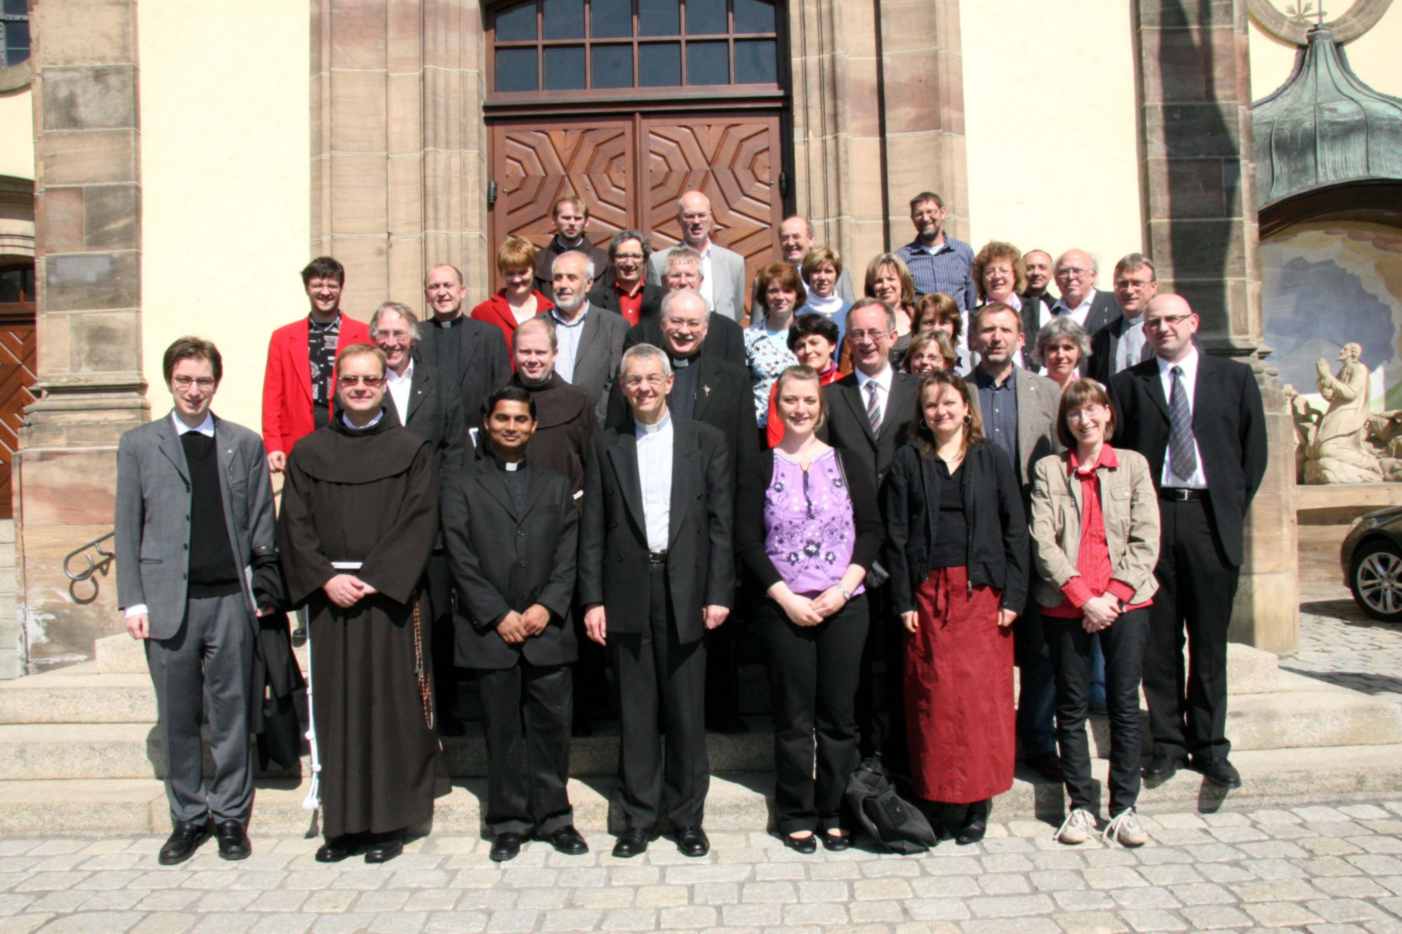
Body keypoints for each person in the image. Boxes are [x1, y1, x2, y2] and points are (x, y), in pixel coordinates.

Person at [116, 337, 281, 865]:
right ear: (171, 381)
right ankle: (188, 817)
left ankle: (230, 815)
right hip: (169, 605)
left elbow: (261, 521)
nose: (193, 390)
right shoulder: (140, 445)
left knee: (233, 714)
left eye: (203, 380)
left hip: (230, 600)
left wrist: (263, 588)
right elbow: (127, 526)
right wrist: (133, 601)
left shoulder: (243, 444)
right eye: (184, 380)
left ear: (216, 383)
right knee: (179, 717)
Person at [278, 344, 439, 865]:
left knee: (388, 710)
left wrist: (375, 578)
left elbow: (420, 517)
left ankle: (389, 823)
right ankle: (343, 825)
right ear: (337, 385)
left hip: (390, 600)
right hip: (332, 602)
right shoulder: (309, 453)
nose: (361, 388)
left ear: (383, 385)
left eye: (370, 380)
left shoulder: (411, 449)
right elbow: (294, 525)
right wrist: (325, 578)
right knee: (339, 709)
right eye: (351, 380)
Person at [580, 344, 734, 859]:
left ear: (670, 383)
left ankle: (687, 818)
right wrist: (592, 599)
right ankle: (638, 818)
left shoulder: (706, 441)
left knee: (686, 711)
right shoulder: (607, 444)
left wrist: (718, 591)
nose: (643, 387)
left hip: (686, 586)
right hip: (627, 588)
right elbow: (593, 527)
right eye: (633, 380)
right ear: (623, 388)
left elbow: (721, 524)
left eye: (652, 378)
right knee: (636, 711)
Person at [1109, 294, 1267, 789]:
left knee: (1209, 641)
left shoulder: (1234, 379)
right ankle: (1168, 744)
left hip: (1208, 519)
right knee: (1159, 643)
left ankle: (1211, 745)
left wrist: (1227, 508)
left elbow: (1253, 455)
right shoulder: (1128, 385)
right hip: (1153, 520)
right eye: (1154, 322)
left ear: (1193, 322)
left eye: (1173, 319)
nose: (1163, 328)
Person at [737, 366, 880, 853]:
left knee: (839, 717)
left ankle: (834, 810)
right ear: (777, 406)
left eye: (809, 401)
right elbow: (747, 540)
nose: (800, 409)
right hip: (785, 607)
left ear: (821, 408)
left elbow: (872, 530)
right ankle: (796, 811)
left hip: (845, 604)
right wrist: (785, 598)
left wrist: (844, 587)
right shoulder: (760, 466)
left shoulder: (847, 462)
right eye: (791, 400)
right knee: (794, 718)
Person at [441, 385, 586, 863]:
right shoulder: (461, 484)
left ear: (534, 426)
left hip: (548, 629)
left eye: (520, 419)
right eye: (502, 418)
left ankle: (555, 818)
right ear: (487, 423)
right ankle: (508, 822)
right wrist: (497, 613)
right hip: (491, 632)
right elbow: (460, 557)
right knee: (502, 731)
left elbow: (568, 554)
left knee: (552, 728)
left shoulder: (556, 485)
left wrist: (548, 605)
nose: (511, 427)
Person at [883, 370, 1028, 844]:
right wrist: (903, 598)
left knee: (980, 704)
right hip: (928, 594)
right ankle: (939, 799)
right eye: (931, 405)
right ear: (922, 414)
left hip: (981, 595)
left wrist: (1015, 595)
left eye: (949, 403)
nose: (940, 412)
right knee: (935, 702)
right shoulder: (909, 460)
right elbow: (896, 536)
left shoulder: (992, 458)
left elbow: (1014, 529)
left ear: (966, 408)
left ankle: (976, 802)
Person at [606, 290, 759, 735]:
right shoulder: (640, 377)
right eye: (676, 322)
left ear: (707, 329)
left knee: (714, 628)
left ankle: (721, 714)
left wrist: (740, 529)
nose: (685, 331)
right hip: (653, 526)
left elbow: (745, 458)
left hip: (710, 522)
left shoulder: (732, 379)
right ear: (662, 325)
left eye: (694, 324)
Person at [1030, 379, 1160, 848]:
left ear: (1107, 413)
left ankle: (1124, 806)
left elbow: (1146, 537)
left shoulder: (1133, 465)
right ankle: (1080, 805)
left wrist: (1113, 598)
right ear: (1065, 422)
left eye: (1092, 410)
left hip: (1126, 603)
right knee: (1070, 706)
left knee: (1124, 704)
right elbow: (1043, 539)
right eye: (1074, 413)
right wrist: (1084, 598)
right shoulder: (1049, 469)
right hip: (1069, 603)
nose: (1084, 420)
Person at [820, 299, 919, 770]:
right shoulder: (832, 397)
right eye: (856, 333)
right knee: (861, 662)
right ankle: (866, 758)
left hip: (910, 545)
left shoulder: (919, 392)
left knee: (906, 659)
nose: (865, 341)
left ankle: (905, 757)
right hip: (852, 549)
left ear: (893, 335)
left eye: (874, 332)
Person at [968, 302, 1063, 784]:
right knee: (987, 646)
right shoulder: (958, 392)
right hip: (979, 533)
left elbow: (1062, 460)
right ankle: (992, 738)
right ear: (973, 339)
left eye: (1005, 329)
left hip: (1035, 528)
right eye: (987, 330)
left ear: (1021, 338)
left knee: (1041, 646)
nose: (996, 337)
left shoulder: (1047, 391)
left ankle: (1038, 738)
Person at [371, 300, 467, 732]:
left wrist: (446, 511)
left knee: (440, 622)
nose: (391, 342)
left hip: (435, 527)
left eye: (399, 333)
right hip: (383, 528)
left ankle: (444, 713)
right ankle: (398, 714)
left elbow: (456, 453)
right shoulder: (363, 383)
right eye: (384, 334)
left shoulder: (439, 384)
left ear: (412, 337)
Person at [262, 256, 371, 472]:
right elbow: (272, 395)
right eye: (318, 285)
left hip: (349, 434)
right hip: (298, 438)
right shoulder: (282, 338)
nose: (325, 292)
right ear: (307, 288)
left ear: (341, 288)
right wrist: (273, 445)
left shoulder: (363, 334)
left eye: (332, 285)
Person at [510, 316, 596, 495]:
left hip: (565, 506)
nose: (532, 359)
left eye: (540, 352)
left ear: (554, 354)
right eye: (525, 352)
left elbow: (594, 466)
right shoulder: (497, 402)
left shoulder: (579, 400)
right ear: (514, 353)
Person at [418, 262, 511, 429]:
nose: (442, 292)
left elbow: (502, 387)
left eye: (448, 285)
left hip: (477, 432)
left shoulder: (489, 336)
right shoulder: (415, 337)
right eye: (434, 287)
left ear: (462, 292)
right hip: (430, 434)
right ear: (426, 296)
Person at [627, 246, 746, 365]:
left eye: (689, 275)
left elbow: (736, 375)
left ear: (700, 280)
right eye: (676, 275)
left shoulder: (730, 332)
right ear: (663, 281)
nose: (683, 282)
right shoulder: (641, 334)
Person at [549, 251, 628, 422]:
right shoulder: (538, 325)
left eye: (571, 277)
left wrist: (597, 420)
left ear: (588, 284)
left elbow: (616, 380)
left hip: (597, 425)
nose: (563, 284)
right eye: (558, 278)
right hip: (548, 422)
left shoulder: (613, 325)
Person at [647, 190, 746, 322]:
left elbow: (737, 311)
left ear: (710, 218)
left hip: (721, 332)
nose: (696, 221)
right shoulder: (659, 261)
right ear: (679, 220)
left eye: (702, 215)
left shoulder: (733, 262)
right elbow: (654, 310)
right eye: (689, 216)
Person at [763, 313, 842, 448]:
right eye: (800, 346)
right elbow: (775, 435)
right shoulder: (782, 386)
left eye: (814, 343)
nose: (808, 350)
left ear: (832, 345)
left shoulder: (846, 385)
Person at [470, 235, 556, 357]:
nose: (517, 279)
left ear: (534, 270)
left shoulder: (551, 311)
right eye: (510, 273)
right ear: (502, 273)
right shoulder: (483, 313)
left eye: (523, 272)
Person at [745, 262, 802, 432]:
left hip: (801, 425)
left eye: (787, 290)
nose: (780, 297)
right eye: (773, 291)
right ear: (764, 296)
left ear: (797, 295)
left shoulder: (808, 334)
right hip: (760, 428)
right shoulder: (748, 337)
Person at [894, 191, 976, 309]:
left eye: (930, 212)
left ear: (942, 213)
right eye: (919, 214)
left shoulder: (963, 252)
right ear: (912, 219)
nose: (925, 218)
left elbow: (971, 297)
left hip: (958, 320)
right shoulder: (902, 258)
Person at [1089, 254, 1159, 384]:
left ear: (1153, 287)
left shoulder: (1169, 331)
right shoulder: (1103, 337)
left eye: (1137, 283)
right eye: (1122, 284)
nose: (1129, 290)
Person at [532, 195, 609, 300]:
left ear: (586, 222)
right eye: (566, 218)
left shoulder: (604, 259)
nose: (572, 223)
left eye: (577, 218)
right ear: (554, 220)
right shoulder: (538, 260)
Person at [972, 241, 1033, 368]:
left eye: (1003, 270)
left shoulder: (1037, 309)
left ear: (1015, 275)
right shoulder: (970, 317)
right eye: (989, 271)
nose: (997, 276)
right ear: (981, 279)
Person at [588, 229, 663, 327]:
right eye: (622, 256)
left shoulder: (663, 298)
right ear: (613, 260)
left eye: (636, 256)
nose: (629, 263)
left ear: (644, 260)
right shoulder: (594, 300)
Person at [778, 214, 855, 302]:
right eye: (785, 238)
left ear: (811, 240)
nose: (790, 243)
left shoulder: (837, 273)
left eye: (796, 237)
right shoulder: (774, 277)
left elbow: (850, 308)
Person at [1046, 249, 1121, 339]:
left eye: (1077, 271)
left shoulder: (1116, 303)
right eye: (1064, 272)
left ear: (1093, 276)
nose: (1070, 276)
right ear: (1056, 278)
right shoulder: (1047, 313)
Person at [797, 247, 851, 344]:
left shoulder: (849, 311)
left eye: (828, 271)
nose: (822, 277)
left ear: (836, 275)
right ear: (807, 274)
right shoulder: (797, 312)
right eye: (816, 271)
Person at [864, 253, 917, 341]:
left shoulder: (918, 316)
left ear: (903, 282)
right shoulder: (863, 319)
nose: (885, 286)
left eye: (890, 279)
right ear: (871, 287)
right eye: (878, 281)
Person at [912, 292, 967, 373]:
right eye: (929, 322)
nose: (936, 329)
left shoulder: (970, 361)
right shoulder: (902, 363)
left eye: (943, 323)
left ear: (954, 326)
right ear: (917, 326)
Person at [1036, 317, 1093, 391]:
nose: (1060, 355)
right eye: (1053, 348)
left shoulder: (1091, 392)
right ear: (1042, 352)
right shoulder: (1030, 392)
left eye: (1067, 348)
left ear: (1080, 352)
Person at [1022, 249, 1058, 318]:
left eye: (1042, 267)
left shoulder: (1059, 308)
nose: (1036, 273)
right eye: (1030, 268)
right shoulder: (1014, 305)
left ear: (1052, 273)